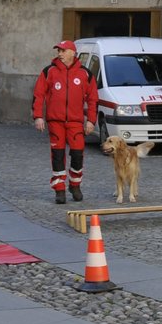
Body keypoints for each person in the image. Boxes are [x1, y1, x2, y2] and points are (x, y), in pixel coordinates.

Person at [32, 40, 98, 205]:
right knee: (58, 155)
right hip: (55, 121)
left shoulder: (85, 74)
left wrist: (90, 120)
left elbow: (93, 99)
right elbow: (38, 94)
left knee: (77, 154)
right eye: (58, 51)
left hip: (75, 123)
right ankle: (59, 189)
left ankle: (75, 185)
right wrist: (38, 116)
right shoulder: (49, 71)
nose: (59, 54)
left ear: (72, 52)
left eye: (62, 51)